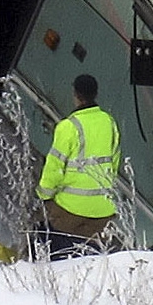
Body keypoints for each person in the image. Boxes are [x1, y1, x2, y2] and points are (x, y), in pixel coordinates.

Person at [35, 73, 121, 257]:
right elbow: (114, 164)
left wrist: (44, 196)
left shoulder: (68, 127)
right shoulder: (110, 123)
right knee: (86, 257)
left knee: (45, 243)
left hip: (71, 209)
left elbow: (54, 169)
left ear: (76, 95)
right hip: (103, 211)